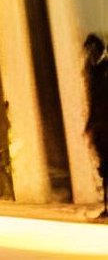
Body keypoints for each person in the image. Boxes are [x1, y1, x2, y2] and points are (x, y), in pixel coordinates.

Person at [85, 33, 108, 220]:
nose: (89, 54)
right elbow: (93, 100)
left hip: (106, 124)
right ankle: (106, 207)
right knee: (104, 168)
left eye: (92, 50)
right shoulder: (93, 69)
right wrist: (90, 124)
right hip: (100, 125)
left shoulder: (104, 69)